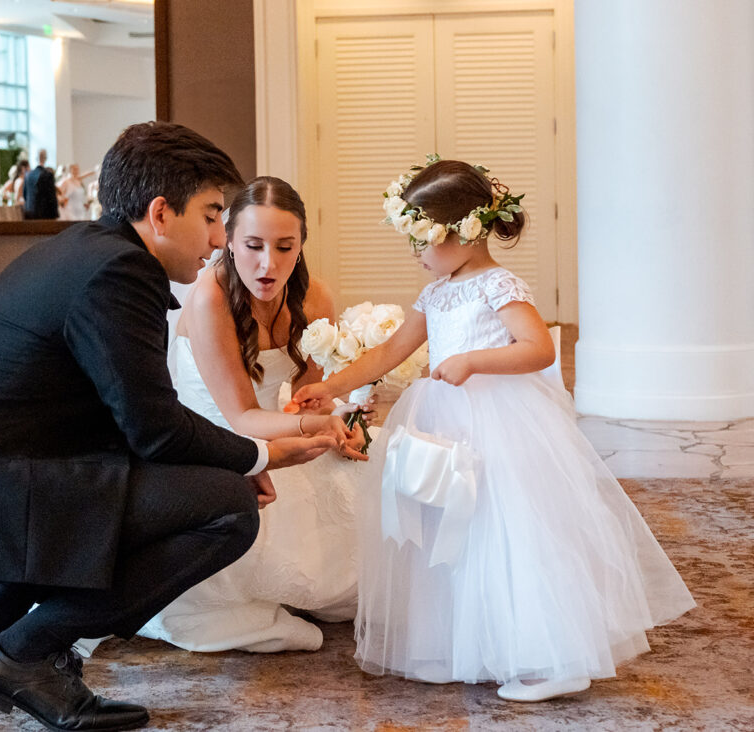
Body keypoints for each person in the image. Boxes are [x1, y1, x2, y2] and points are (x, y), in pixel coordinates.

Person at [0, 122, 339, 731]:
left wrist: (224, 460)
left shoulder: (91, 248)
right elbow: (156, 430)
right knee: (226, 509)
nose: (221, 238)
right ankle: (23, 654)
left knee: (187, 488)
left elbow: (130, 419)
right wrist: (257, 458)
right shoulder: (119, 274)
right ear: (161, 212)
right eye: (213, 215)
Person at [293, 158, 695, 702]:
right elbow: (391, 352)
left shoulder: (499, 284)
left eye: (422, 241)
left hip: (499, 424)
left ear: (463, 231)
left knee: (509, 530)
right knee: (445, 530)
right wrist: (333, 385)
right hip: (443, 420)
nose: (418, 255)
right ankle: (458, 645)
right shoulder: (435, 293)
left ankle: (552, 657)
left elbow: (538, 348)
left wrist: (476, 360)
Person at [140, 176, 369, 652]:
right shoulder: (210, 298)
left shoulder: (315, 299)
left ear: (301, 245)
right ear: (228, 240)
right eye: (252, 245)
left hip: (281, 433)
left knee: (378, 465)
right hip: (221, 443)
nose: (269, 264)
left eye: (285, 247)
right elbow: (243, 417)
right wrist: (313, 426)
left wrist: (342, 422)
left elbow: (305, 399)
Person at [23, 148, 58, 219]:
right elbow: (51, 197)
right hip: (44, 214)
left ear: (36, 158)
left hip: (29, 213)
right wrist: (55, 214)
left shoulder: (28, 175)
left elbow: (25, 194)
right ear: (45, 158)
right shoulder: (48, 175)